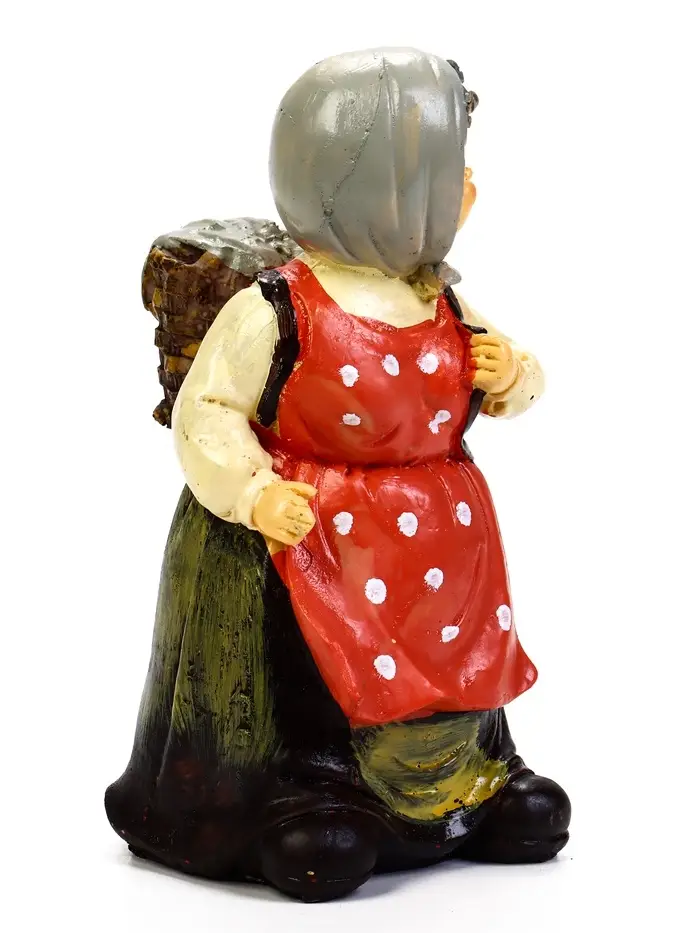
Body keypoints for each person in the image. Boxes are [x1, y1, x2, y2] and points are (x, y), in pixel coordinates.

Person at [106, 47, 570, 903]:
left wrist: (512, 376)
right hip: (326, 538)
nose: (468, 191)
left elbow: (519, 375)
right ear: (373, 194)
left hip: (445, 545)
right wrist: (254, 491)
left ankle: (467, 780)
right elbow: (210, 409)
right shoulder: (278, 308)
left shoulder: (440, 299)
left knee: (457, 658)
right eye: (446, 178)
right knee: (327, 667)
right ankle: (320, 786)